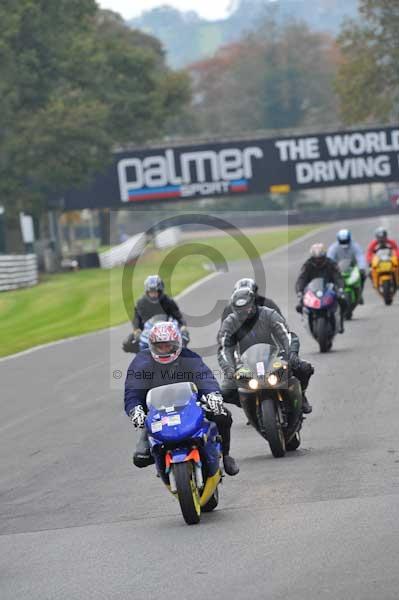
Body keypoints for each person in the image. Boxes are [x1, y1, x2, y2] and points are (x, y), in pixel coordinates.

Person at [124, 321, 239, 476]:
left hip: (191, 406)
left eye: (168, 346)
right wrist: (135, 410)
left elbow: (204, 377)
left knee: (223, 416)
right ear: (152, 345)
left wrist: (213, 395)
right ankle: (161, 462)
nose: (164, 350)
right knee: (140, 458)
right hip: (157, 412)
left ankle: (226, 456)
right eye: (160, 346)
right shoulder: (141, 362)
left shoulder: (188, 357)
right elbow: (132, 390)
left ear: (177, 343)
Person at [220, 278, 313, 413]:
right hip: (245, 362)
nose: (244, 313)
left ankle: (301, 395)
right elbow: (225, 347)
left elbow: (286, 334)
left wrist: (290, 353)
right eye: (240, 311)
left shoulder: (269, 313)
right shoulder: (229, 322)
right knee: (225, 391)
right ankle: (250, 406)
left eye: (247, 309)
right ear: (233, 309)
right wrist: (230, 367)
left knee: (304, 368)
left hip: (275, 355)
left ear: (253, 304)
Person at [123, 275, 189, 351]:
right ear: (147, 292)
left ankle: (183, 357)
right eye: (151, 292)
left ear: (160, 291)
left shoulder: (168, 301)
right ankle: (141, 357)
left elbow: (178, 316)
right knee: (127, 344)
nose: (153, 295)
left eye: (156, 292)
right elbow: (136, 318)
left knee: (185, 337)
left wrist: (183, 327)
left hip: (167, 330)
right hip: (147, 330)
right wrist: (136, 330)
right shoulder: (141, 303)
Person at [295, 243, 347, 334]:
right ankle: (305, 319)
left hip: (329, 289)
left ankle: (341, 322)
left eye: (320, 258)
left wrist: (340, 288)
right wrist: (299, 291)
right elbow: (301, 279)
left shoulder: (331, 264)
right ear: (312, 257)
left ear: (324, 256)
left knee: (343, 301)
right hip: (313, 291)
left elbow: (338, 277)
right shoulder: (307, 265)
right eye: (316, 259)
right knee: (299, 305)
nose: (318, 261)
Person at [327, 229, 367, 303]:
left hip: (353, 268)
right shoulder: (333, 248)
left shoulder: (355, 246)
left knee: (363, 276)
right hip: (338, 269)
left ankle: (359, 293)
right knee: (330, 280)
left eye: (345, 241)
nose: (344, 243)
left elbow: (360, 257)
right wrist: (329, 269)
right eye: (342, 241)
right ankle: (333, 296)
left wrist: (362, 268)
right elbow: (329, 259)